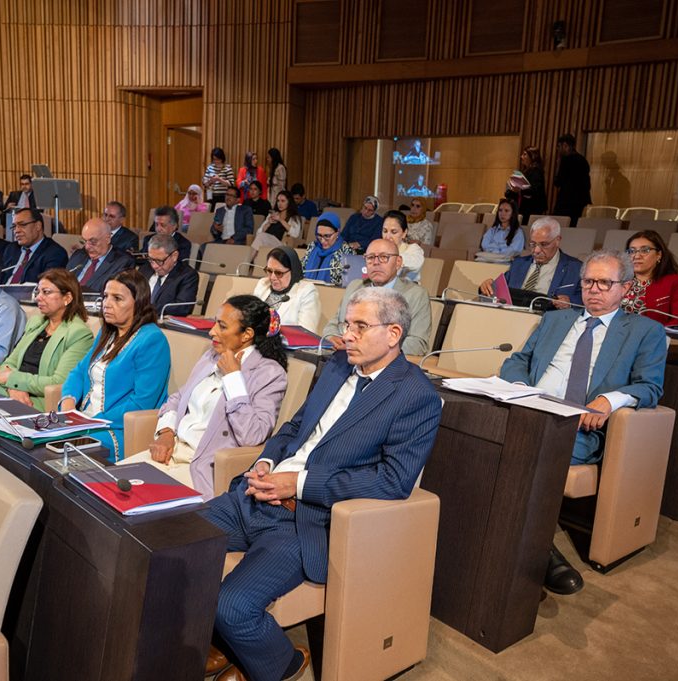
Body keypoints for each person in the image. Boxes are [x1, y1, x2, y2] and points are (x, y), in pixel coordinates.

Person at [202, 287, 443, 681]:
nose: (347, 335)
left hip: (307, 520)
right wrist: (265, 462)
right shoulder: (338, 365)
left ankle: (284, 664)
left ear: (394, 334)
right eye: (347, 324)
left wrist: (298, 483)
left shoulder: (415, 395)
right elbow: (295, 427)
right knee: (171, 546)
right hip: (255, 495)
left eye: (360, 326)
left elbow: (394, 481)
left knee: (231, 607)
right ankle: (223, 644)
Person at [500, 250, 666, 594]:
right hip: (528, 410)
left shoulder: (644, 331)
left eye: (605, 283)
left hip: (576, 426)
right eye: (589, 281)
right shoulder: (556, 320)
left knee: (523, 450)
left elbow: (650, 386)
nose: (594, 290)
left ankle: (540, 552)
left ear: (625, 287)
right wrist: (520, 389)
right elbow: (518, 360)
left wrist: (611, 399)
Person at [121, 295, 289, 499]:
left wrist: (233, 378)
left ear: (247, 334)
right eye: (215, 323)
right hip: (171, 451)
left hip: (201, 467)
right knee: (104, 488)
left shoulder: (269, 373)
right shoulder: (211, 355)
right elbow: (178, 398)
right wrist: (166, 432)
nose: (212, 331)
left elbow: (253, 435)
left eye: (222, 326)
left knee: (133, 501)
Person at [60, 270, 171, 462]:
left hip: (118, 428)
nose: (107, 304)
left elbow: (142, 402)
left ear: (138, 303)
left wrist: (91, 422)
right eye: (105, 296)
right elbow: (79, 372)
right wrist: (68, 404)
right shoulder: (108, 332)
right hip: (84, 420)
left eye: (117, 298)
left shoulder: (152, 340)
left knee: (63, 450)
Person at [0, 269, 94, 410]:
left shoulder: (79, 334)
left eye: (46, 292)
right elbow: (9, 363)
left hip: (39, 399)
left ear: (67, 298)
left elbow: (59, 382)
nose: (38, 298)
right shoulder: (36, 323)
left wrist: (14, 380)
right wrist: (14, 388)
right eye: (38, 292)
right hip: (13, 391)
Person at [322, 238, 431, 356]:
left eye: (384, 257)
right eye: (370, 257)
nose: (376, 262)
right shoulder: (354, 286)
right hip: (343, 356)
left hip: (384, 362)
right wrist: (332, 337)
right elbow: (334, 324)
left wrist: (365, 345)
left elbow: (418, 344)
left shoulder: (416, 295)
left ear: (398, 262)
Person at [478, 217, 584, 306]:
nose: (536, 250)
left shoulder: (575, 268)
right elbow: (498, 291)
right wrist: (487, 286)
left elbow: (585, 299)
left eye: (544, 244)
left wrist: (570, 302)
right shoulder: (518, 264)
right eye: (533, 244)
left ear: (557, 241)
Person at [621, 230, 678, 325]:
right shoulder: (618, 279)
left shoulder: (674, 281)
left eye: (644, 250)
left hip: (653, 333)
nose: (637, 256)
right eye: (632, 251)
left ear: (658, 255)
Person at [253, 247, 320, 330]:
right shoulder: (263, 284)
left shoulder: (306, 291)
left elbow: (306, 332)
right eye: (269, 271)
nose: (272, 277)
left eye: (278, 273)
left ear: (293, 271)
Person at [139, 233, 200, 318]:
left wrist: (145, 309)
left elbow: (182, 308)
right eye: (151, 260)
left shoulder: (187, 276)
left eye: (159, 261)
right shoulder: (145, 269)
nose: (154, 266)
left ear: (174, 256)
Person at [66, 218, 135, 293]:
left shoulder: (122, 262)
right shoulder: (78, 255)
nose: (87, 247)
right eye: (84, 241)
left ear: (107, 239)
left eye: (93, 241)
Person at [1, 208, 69, 285]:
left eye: (22, 225)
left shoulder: (55, 253)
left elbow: (48, 286)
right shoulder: (11, 249)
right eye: (14, 226)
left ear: (38, 226)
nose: (16, 231)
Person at [300, 212, 355, 286]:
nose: (322, 240)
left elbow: (348, 283)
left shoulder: (347, 252)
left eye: (327, 236)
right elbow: (301, 270)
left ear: (337, 232)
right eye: (319, 235)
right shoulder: (312, 246)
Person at [551, 133, 591, 226]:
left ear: (565, 145)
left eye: (559, 146)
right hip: (580, 201)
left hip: (566, 201)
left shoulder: (566, 160)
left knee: (560, 225)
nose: (558, 149)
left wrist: (558, 165)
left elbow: (558, 182)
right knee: (573, 225)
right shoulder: (583, 160)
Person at [381, 210, 424, 281]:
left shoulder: (413, 249)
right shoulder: (378, 250)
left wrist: (390, 258)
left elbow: (416, 263)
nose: (387, 237)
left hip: (407, 287)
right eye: (385, 231)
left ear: (404, 233)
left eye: (393, 232)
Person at [508, 146, 547, 222]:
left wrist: (519, 190)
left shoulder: (536, 171)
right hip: (525, 207)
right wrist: (511, 191)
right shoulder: (526, 171)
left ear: (533, 156)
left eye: (524, 154)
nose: (521, 157)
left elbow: (535, 190)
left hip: (532, 208)